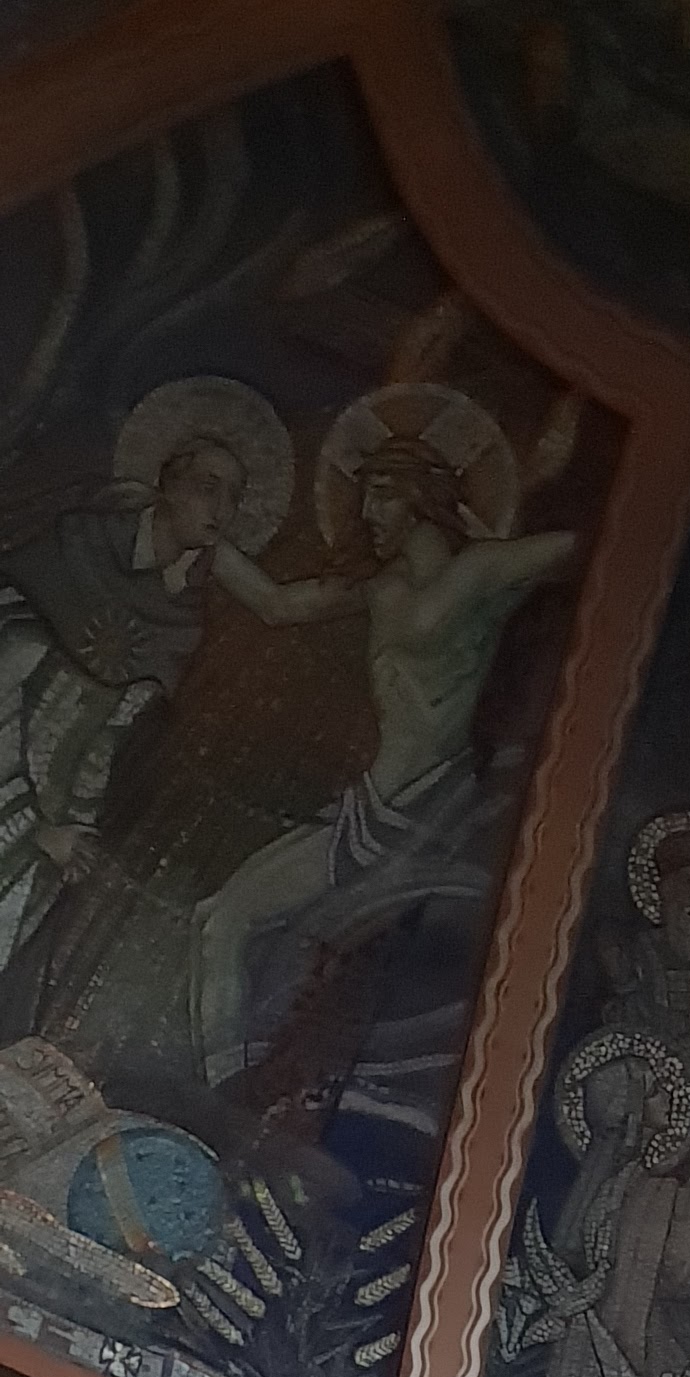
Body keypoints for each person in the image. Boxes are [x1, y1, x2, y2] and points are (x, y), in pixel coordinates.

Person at [190, 386, 578, 1086]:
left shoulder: (482, 572)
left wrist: (547, 479)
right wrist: (199, 534)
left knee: (246, 925)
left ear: (421, 498)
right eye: (366, 495)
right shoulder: (377, 587)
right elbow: (276, 604)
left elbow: (589, 548)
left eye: (382, 495)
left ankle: (238, 1085)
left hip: (431, 809)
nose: (367, 514)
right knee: (221, 918)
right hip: (372, 813)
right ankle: (225, 1084)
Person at [0, 375, 294, 987]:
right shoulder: (76, 547)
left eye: (234, 496)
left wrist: (78, 827)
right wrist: (32, 826)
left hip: (51, 822)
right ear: (166, 482)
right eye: (207, 486)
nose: (221, 508)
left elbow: (111, 729)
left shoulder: (179, 621)